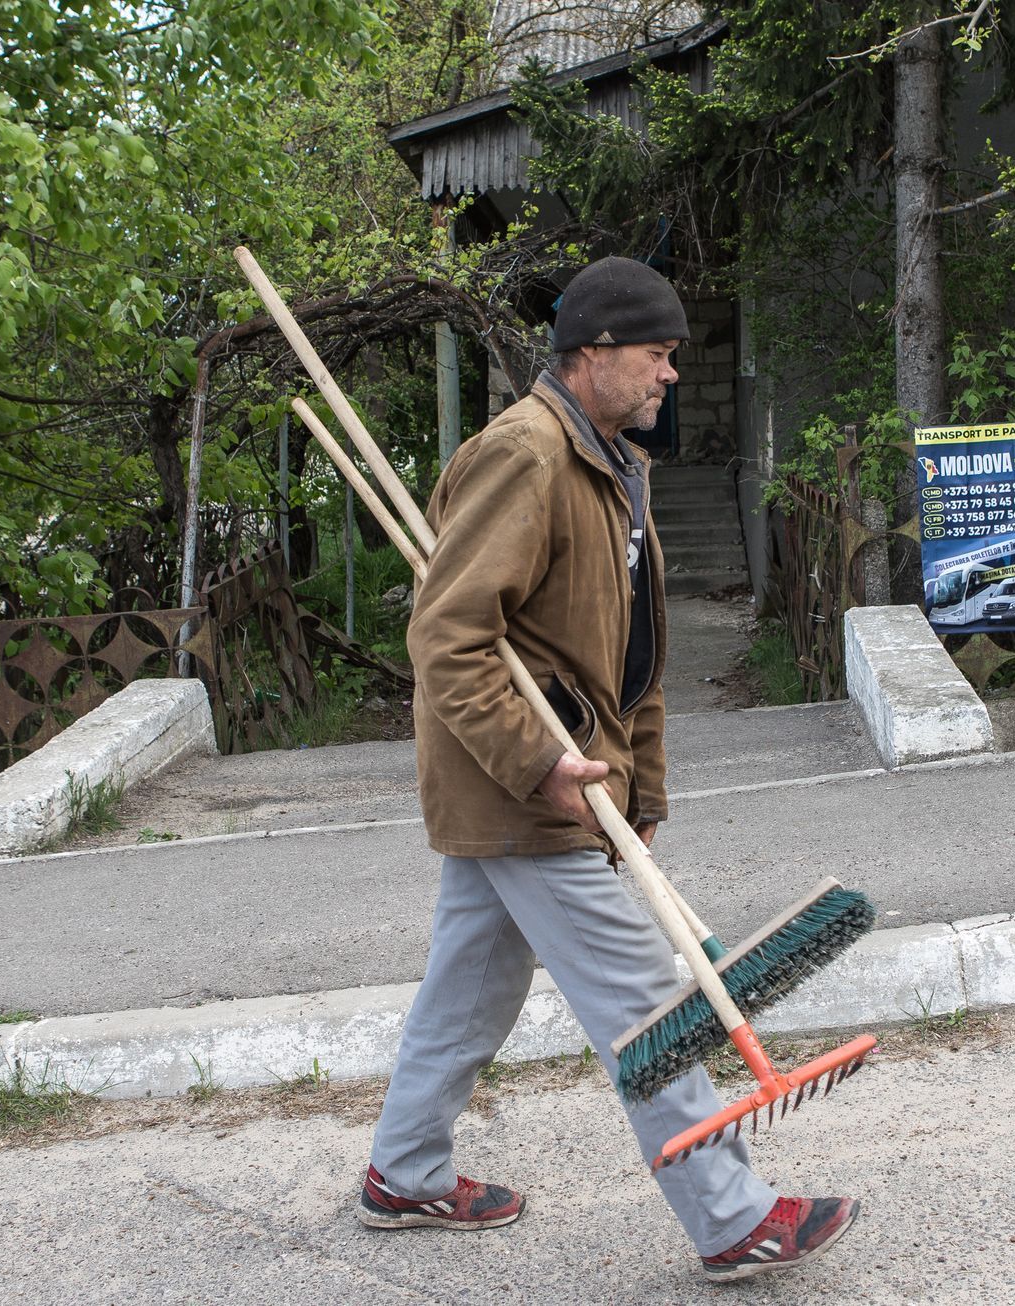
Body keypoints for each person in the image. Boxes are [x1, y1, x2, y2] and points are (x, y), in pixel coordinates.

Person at [358, 256, 861, 1282]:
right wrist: (541, 761)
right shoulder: (529, 456)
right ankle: (733, 1218)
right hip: (523, 783)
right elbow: (447, 637)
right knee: (644, 996)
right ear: (591, 355)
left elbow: (629, 655)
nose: (671, 374)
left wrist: (645, 789)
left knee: (471, 986)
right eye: (656, 354)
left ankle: (402, 1173)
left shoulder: (611, 462)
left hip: (570, 775)